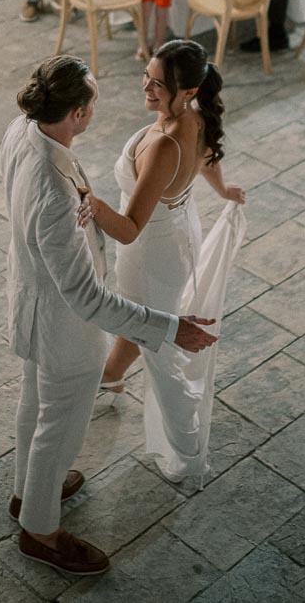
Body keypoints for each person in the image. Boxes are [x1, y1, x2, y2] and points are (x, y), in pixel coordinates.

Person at [2, 56, 218, 577]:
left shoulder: (23, 129)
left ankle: (27, 492)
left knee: (34, 404)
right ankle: (41, 531)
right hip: (62, 329)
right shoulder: (54, 195)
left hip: (27, 299)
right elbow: (89, 300)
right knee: (60, 425)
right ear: (77, 114)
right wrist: (170, 328)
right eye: (93, 101)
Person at [77, 40, 245, 483]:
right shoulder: (197, 115)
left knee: (153, 335)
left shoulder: (165, 146)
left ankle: (186, 448)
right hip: (178, 226)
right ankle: (112, 375)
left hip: (151, 249)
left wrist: (90, 202)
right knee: (147, 322)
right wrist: (223, 189)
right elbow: (208, 159)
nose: (146, 88)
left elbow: (129, 226)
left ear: (186, 90)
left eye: (158, 84)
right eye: (146, 76)